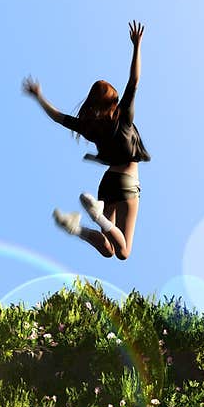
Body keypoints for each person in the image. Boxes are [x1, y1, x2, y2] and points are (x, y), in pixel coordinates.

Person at [22, 21, 150, 260]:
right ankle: (97, 215)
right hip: (128, 181)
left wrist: (39, 97)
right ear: (113, 103)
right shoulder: (122, 117)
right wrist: (136, 46)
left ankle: (76, 227)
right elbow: (134, 82)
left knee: (108, 250)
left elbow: (59, 118)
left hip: (108, 183)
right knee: (123, 252)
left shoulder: (90, 127)